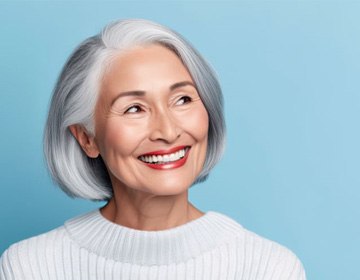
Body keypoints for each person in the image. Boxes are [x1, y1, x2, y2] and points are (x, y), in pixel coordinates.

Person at [0, 19, 306, 279]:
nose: (168, 131)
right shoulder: (32, 268)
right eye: (134, 109)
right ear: (87, 138)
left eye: (183, 100)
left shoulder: (267, 269)